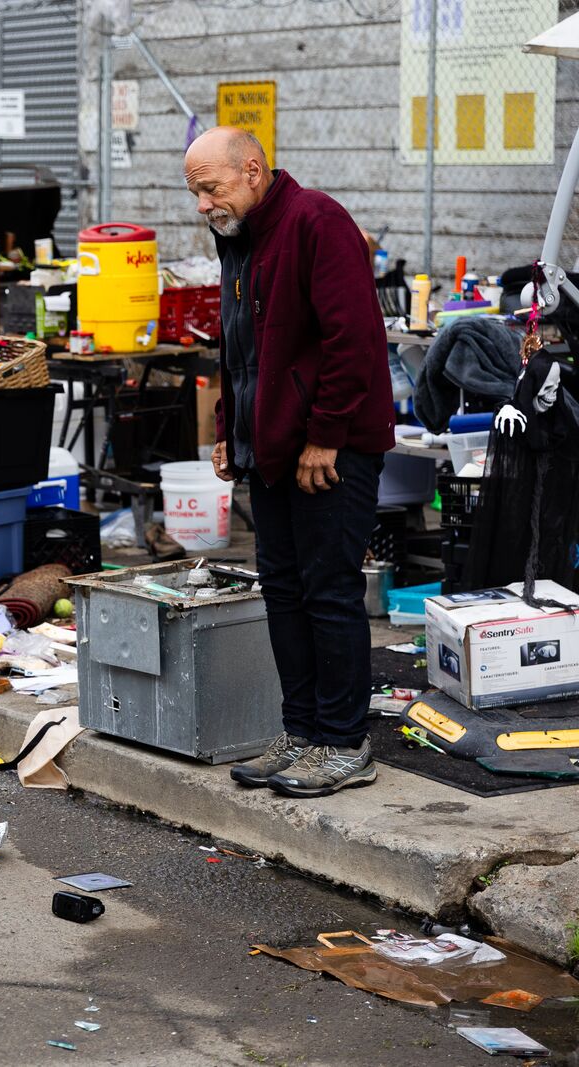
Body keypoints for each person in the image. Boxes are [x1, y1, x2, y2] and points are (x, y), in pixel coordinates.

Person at [182, 126, 395, 798]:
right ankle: (302, 732)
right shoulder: (238, 235)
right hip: (271, 448)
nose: (202, 204)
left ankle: (345, 742)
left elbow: (354, 340)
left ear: (251, 169)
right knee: (283, 589)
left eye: (209, 188)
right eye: (195, 193)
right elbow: (238, 345)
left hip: (330, 448)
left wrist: (326, 434)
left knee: (329, 590)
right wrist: (230, 429)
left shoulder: (316, 221)